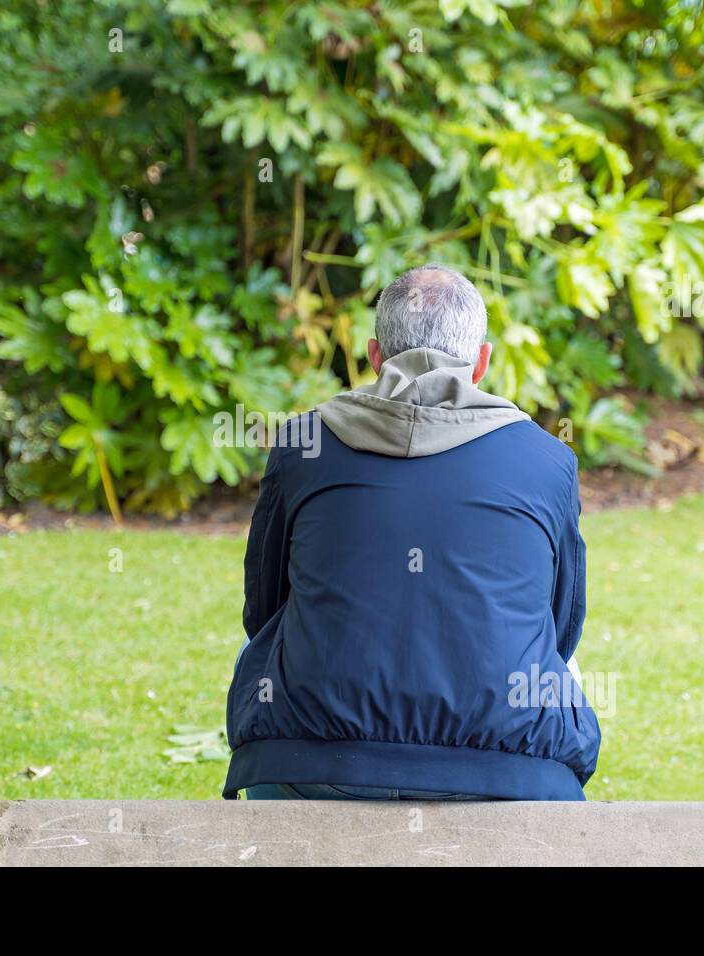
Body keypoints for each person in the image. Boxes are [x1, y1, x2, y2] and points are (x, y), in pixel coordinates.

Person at [223, 264, 599, 801]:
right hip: (511, 772)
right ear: (482, 363)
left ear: (375, 357)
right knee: (562, 662)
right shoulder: (547, 460)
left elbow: (262, 609)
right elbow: (562, 626)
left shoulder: (304, 444)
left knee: (256, 648)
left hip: (307, 765)